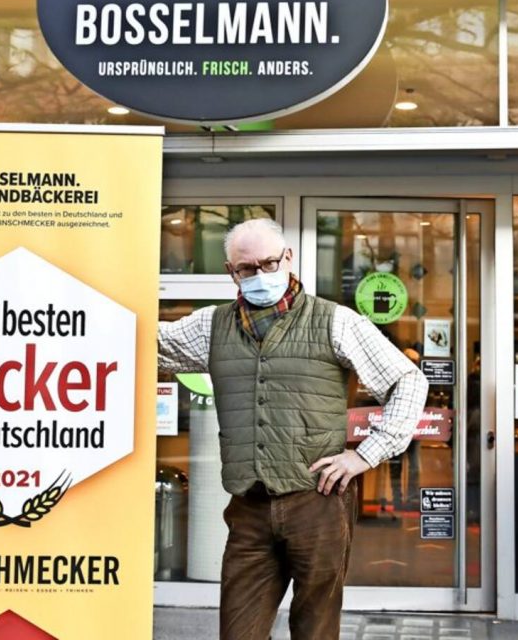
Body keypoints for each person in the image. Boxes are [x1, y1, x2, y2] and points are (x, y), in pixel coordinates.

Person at [158, 218, 427, 640]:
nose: (260, 275)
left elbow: (407, 380)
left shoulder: (335, 321)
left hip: (318, 502)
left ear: (287, 258)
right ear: (231, 271)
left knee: (315, 629)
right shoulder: (210, 326)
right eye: (247, 268)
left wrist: (364, 455)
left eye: (269, 263)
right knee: (239, 633)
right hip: (249, 506)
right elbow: (148, 343)